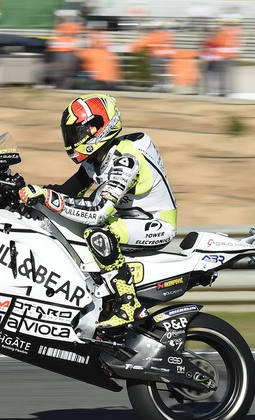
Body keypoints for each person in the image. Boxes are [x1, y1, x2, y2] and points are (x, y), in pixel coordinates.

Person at [18, 94, 178, 329]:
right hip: (128, 219)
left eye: (77, 133)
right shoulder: (94, 159)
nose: (72, 140)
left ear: (98, 129)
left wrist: (47, 197)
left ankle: (128, 304)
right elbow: (68, 192)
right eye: (70, 134)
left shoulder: (126, 160)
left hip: (156, 223)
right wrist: (26, 192)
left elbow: (98, 211)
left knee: (98, 233)